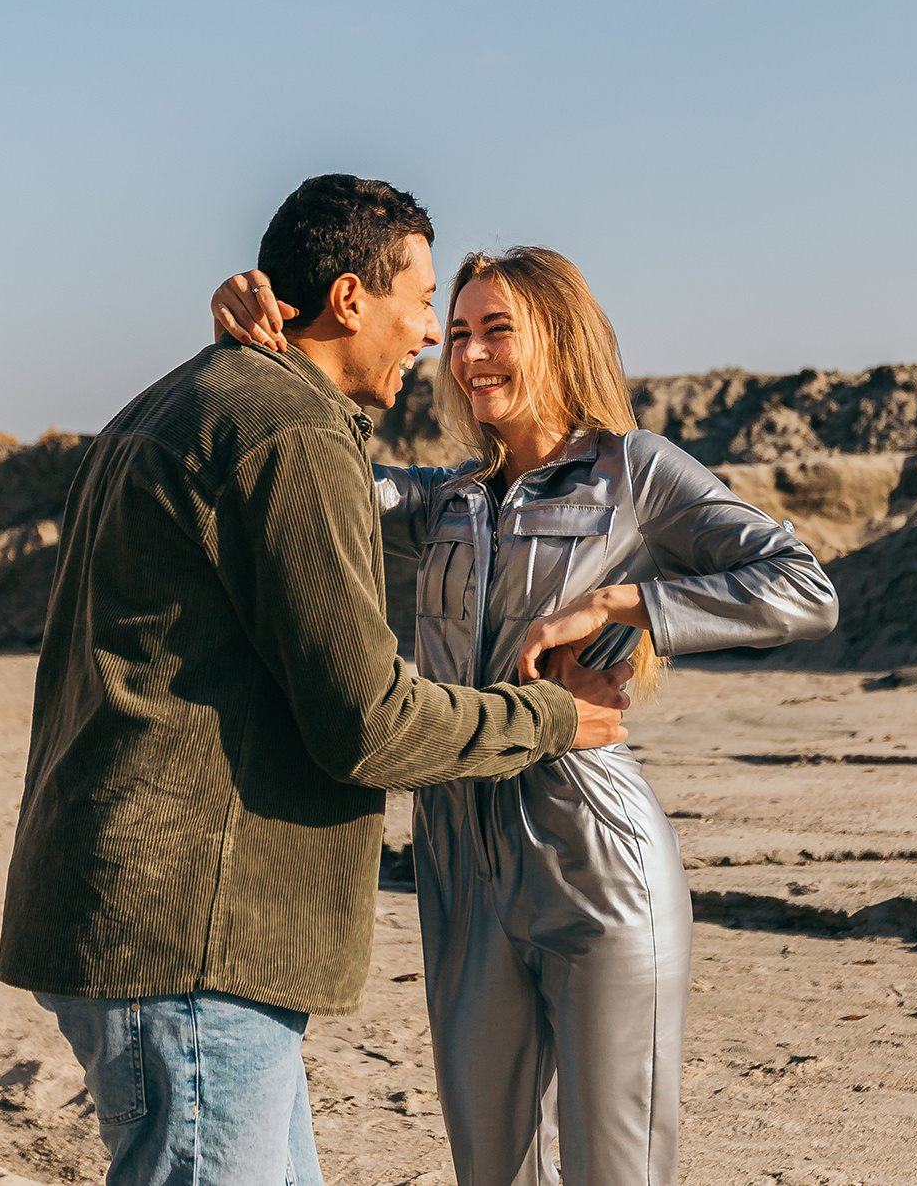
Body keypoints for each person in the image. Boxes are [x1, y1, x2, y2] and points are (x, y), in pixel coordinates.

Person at [0, 176, 635, 1186]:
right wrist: (556, 715)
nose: (431, 334)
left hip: (162, 932)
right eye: (422, 302)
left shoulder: (170, 403)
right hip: (189, 946)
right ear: (348, 300)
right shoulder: (285, 430)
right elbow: (369, 723)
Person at [212, 245, 837, 1185]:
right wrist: (265, 350)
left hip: (601, 872)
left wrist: (624, 607)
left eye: (496, 329)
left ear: (557, 334)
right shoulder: (443, 499)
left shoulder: (635, 475)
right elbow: (311, 469)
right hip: (460, 875)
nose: (469, 355)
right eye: (457, 333)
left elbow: (803, 588)